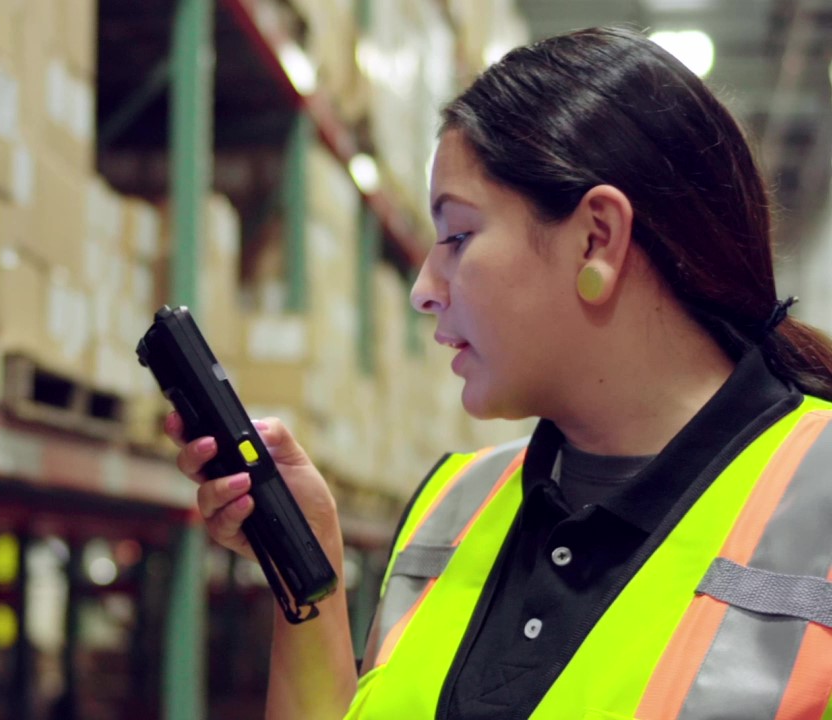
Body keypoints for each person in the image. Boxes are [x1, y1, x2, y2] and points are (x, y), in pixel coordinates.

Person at [165, 25, 832, 720]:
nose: (425, 287)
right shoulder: (452, 508)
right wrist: (309, 581)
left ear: (597, 239)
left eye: (458, 236)